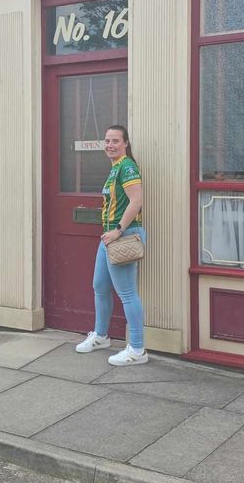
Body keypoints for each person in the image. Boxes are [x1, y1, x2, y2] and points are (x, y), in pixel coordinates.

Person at [75, 125, 148, 366]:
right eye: (107, 141)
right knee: (100, 286)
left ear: (125, 143)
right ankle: (101, 336)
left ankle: (137, 349)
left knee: (127, 294)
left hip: (123, 235)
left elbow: (136, 201)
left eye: (115, 141)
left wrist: (118, 230)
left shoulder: (127, 167)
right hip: (109, 237)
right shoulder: (115, 168)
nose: (110, 145)